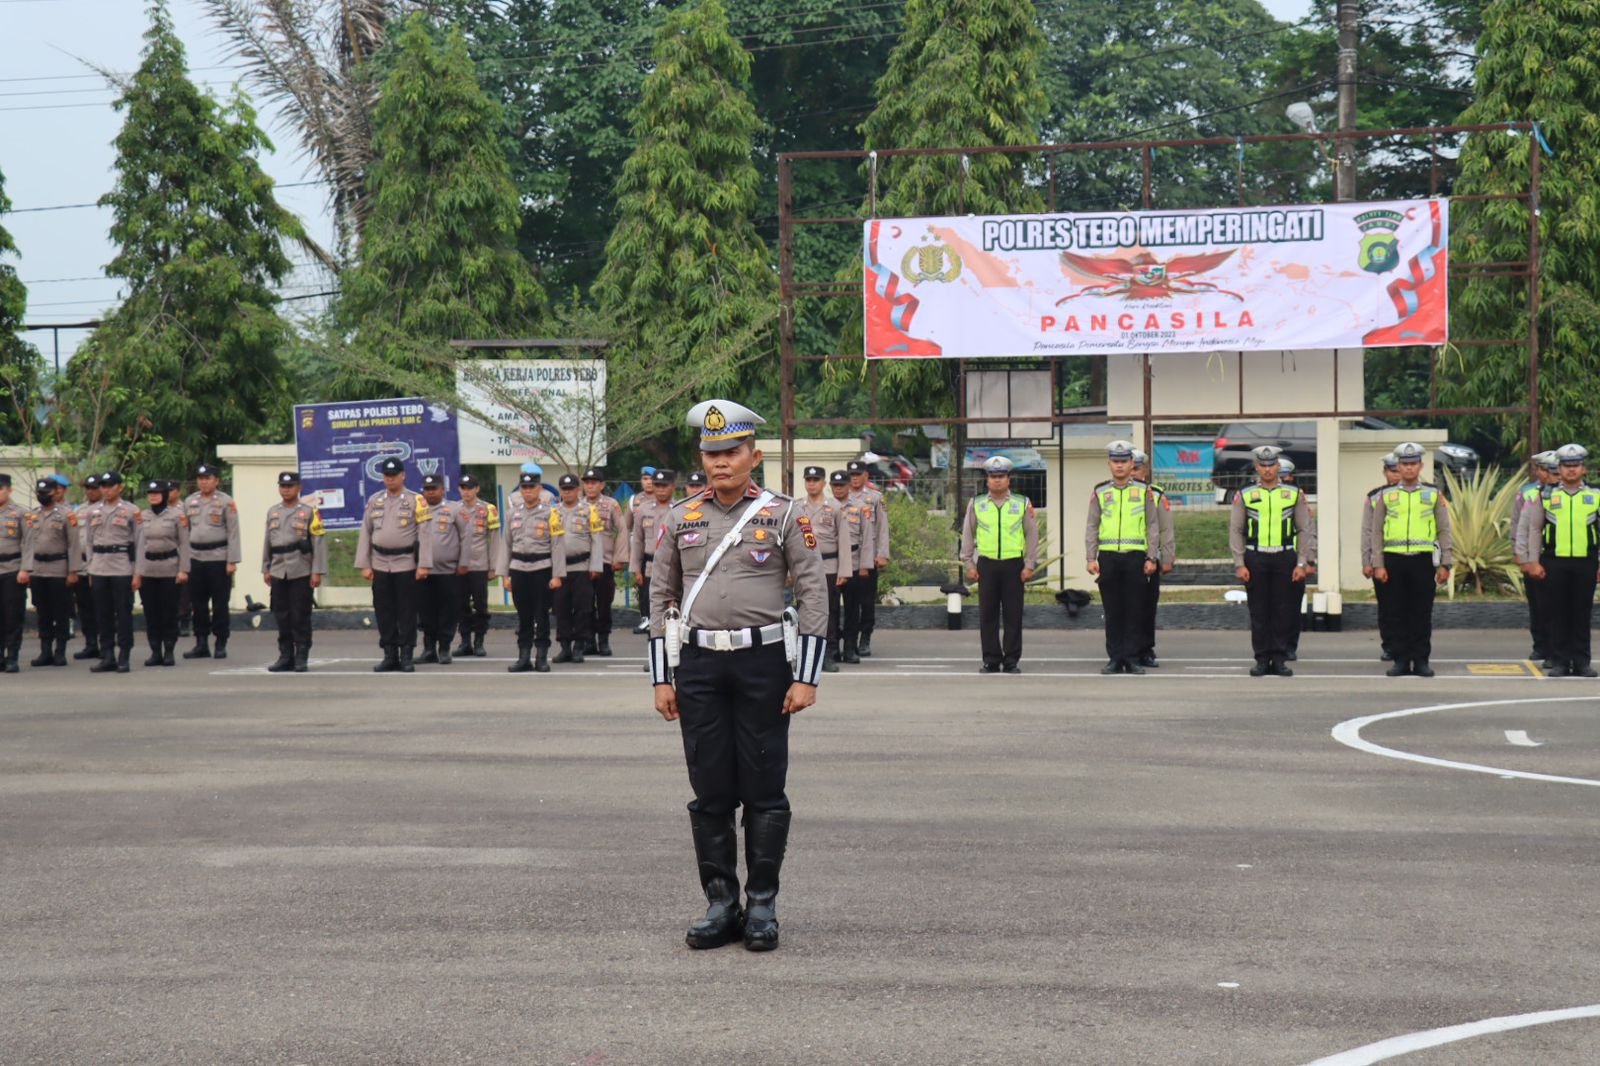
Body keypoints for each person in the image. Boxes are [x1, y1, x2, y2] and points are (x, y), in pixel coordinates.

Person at [648, 399, 827, 952]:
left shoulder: (785, 514)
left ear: (755, 454)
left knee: (765, 786)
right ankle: (721, 903)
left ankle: (763, 906)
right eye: (711, 452)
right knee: (710, 789)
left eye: (731, 451)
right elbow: (661, 596)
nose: (720, 462)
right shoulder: (680, 516)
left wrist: (808, 676)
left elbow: (813, 590)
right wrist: (662, 678)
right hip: (699, 666)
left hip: (764, 665)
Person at [1370, 442, 1453, 677]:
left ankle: (1421, 660)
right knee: (1395, 613)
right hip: (1393, 560)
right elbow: (1376, 532)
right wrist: (1378, 564)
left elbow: (1444, 529)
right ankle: (1401, 660)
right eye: (1404, 464)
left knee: (1421, 613)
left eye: (1413, 464)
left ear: (1421, 466)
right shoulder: (1385, 496)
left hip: (1422, 560)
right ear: (1398, 465)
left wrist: (1445, 563)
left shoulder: (1433, 494)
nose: (1408, 468)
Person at [1230, 447, 1313, 677]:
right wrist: (1239, 563)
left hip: (1284, 556)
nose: (1267, 470)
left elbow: (1304, 529)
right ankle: (1261, 658)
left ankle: (1279, 658)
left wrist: (1301, 562)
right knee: (1259, 611)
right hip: (1255, 556)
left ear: (1278, 466)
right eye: (1263, 465)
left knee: (1282, 610)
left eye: (1271, 465)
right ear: (1257, 467)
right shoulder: (1245, 494)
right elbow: (1236, 530)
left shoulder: (1293, 493)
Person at [1517, 444, 1598, 677]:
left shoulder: (1595, 495)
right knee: (1558, 613)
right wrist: (1532, 561)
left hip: (1586, 561)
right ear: (1559, 469)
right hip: (1554, 561)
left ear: (1584, 469)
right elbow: (1534, 528)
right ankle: (1560, 661)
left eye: (1576, 466)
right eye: (1566, 466)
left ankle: (1581, 662)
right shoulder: (1545, 495)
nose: (1571, 470)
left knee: (1582, 613)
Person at [960, 455, 1039, 674]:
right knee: (988, 614)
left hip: (1014, 564)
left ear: (1008, 479)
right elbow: (968, 533)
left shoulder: (1021, 503)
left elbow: (1032, 535)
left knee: (1013, 614)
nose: (997, 480)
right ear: (987, 480)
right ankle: (991, 659)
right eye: (993, 476)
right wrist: (969, 563)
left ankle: (1012, 660)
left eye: (1001, 476)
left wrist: (1029, 564)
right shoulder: (977, 504)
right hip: (987, 564)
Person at [1085, 441, 1159, 674]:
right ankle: (1115, 657)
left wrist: (1151, 557)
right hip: (1108, 557)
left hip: (1135, 557)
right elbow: (1092, 525)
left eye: (1124, 461)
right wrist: (1090, 556)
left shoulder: (1143, 491)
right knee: (1113, 609)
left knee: (1135, 609)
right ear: (1109, 464)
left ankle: (1132, 657)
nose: (1119, 466)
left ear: (1131, 464)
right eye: (1115, 462)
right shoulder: (1100, 491)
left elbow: (1152, 525)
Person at [354, 457, 433, 674]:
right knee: (384, 611)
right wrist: (364, 563)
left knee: (406, 611)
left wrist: (424, 564)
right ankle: (389, 654)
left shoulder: (416, 500)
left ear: (403, 475)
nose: (390, 479)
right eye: (387, 475)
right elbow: (366, 532)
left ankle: (406, 654)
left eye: (394, 475)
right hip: (380, 563)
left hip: (406, 563)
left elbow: (424, 534)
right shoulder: (375, 500)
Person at [262, 471, 327, 673]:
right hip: (279, 568)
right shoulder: (273, 511)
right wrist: (266, 567)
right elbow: (267, 542)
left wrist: (317, 571)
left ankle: (301, 655)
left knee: (300, 615)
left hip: (301, 568)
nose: (286, 489)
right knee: (281, 614)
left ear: (299, 488)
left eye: (290, 486)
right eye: (282, 486)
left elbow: (318, 542)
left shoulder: (309, 512)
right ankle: (285, 655)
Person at [499, 470, 560, 673]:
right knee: (523, 615)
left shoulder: (551, 513)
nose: (528, 491)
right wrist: (504, 575)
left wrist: (557, 575)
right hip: (518, 569)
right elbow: (506, 545)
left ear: (539, 489)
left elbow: (557, 546)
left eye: (531, 487)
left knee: (541, 615)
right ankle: (523, 656)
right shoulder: (512, 514)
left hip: (542, 568)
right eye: (524, 488)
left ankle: (541, 656)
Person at [18, 477, 81, 669]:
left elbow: (74, 544)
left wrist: (73, 571)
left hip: (58, 568)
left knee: (60, 612)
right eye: (39, 493)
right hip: (37, 569)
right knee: (42, 612)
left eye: (46, 493)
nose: (42, 496)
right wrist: (26, 568)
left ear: (56, 493)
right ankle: (45, 651)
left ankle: (60, 650)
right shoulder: (32, 515)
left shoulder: (66, 515)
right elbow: (26, 544)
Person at [180, 462, 240, 661]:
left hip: (218, 557)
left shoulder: (226, 502)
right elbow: (184, 533)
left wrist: (232, 560)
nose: (204, 482)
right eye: (200, 478)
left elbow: (233, 532)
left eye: (208, 478)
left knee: (220, 603)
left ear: (217, 481)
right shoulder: (189, 501)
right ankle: (201, 643)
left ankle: (221, 642)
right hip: (196, 557)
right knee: (198, 603)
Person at [83, 471, 141, 673]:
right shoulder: (93, 511)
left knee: (123, 613)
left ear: (120, 487)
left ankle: (124, 655)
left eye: (109, 486)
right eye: (103, 486)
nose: (105, 490)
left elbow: (139, 543)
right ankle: (107, 654)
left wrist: (137, 573)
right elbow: (89, 541)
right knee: (102, 613)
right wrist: (90, 567)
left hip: (121, 566)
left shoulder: (131, 510)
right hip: (99, 566)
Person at [799, 466, 853, 673]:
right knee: (805, 609)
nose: (812, 483)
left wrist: (844, 571)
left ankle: (828, 653)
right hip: (805, 566)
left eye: (816, 480)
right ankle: (808, 654)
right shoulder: (797, 507)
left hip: (829, 566)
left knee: (829, 611)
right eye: (808, 480)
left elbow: (844, 541)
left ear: (823, 483)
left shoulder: (835, 507)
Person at [132, 478, 190, 667]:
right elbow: (137, 545)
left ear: (165, 495)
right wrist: (137, 572)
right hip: (148, 568)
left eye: (157, 493)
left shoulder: (177, 515)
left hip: (169, 568)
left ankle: (169, 650)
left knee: (168, 613)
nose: (153, 496)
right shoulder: (142, 516)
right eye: (150, 493)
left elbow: (184, 543)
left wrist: (183, 569)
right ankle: (155, 651)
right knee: (151, 613)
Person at [550, 473, 606, 664]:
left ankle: (579, 647)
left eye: (571, 489)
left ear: (577, 490)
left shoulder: (589, 510)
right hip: (560, 569)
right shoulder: (553, 512)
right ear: (560, 491)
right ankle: (565, 647)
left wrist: (596, 566)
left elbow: (597, 540)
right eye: (564, 490)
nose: (568, 493)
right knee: (561, 609)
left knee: (583, 609)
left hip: (582, 567)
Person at [417, 473, 469, 665]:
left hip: (448, 571)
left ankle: (445, 648)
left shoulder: (454, 509)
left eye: (434, 489)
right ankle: (429, 649)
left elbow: (466, 536)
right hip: (423, 572)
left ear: (442, 490)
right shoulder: (417, 509)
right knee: (425, 612)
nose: (430, 493)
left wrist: (463, 562)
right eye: (427, 489)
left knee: (448, 612)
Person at [1512, 451, 1559, 663]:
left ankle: (1554, 649)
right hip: (1533, 556)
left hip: (1555, 556)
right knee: (1537, 605)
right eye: (1544, 469)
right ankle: (1540, 645)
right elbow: (1518, 524)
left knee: (1553, 607)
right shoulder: (1528, 492)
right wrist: (1520, 554)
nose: (1548, 474)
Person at [1131, 449, 1174, 667]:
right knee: (1126, 607)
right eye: (1131, 467)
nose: (1133, 473)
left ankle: (1146, 649)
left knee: (1147, 607)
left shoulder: (1155, 495)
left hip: (1149, 559)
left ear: (1145, 470)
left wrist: (1167, 557)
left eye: (1137, 468)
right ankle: (1126, 649)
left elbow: (1166, 529)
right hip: (1125, 556)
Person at [581, 468, 627, 657]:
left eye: (594, 482)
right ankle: (589, 640)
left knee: (604, 603)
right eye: (587, 482)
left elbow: (622, 530)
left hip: (605, 560)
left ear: (602, 485)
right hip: (583, 562)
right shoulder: (577, 505)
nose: (590, 486)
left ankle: (604, 640)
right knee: (585, 604)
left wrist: (620, 557)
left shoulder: (611, 504)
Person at [1361, 453, 1402, 661]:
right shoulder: (1375, 496)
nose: (1395, 475)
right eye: (1391, 470)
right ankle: (1390, 645)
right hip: (1382, 559)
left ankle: (1408, 645)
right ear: (1385, 472)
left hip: (1409, 557)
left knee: (1410, 606)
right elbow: (1368, 531)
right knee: (1387, 606)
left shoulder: (1425, 493)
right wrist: (1367, 561)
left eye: (1397, 470)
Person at [847, 459, 890, 656]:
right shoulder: (839, 497)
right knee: (848, 602)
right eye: (852, 475)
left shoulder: (874, 498)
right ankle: (849, 640)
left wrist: (882, 554)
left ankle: (865, 637)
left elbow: (882, 527)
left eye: (858, 475)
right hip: (846, 558)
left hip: (868, 557)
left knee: (866, 601)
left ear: (866, 476)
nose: (854, 478)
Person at [1276, 457, 1315, 661]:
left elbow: (1309, 531)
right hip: (1272, 555)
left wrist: (1310, 560)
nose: (1282, 480)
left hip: (1295, 557)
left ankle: (1290, 646)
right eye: (1279, 476)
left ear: (1291, 477)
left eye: (1285, 476)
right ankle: (1273, 646)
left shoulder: (1299, 498)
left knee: (1291, 606)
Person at [631, 468, 676, 638]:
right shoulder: (643, 509)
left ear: (672, 487)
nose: (660, 489)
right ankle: (654, 656)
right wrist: (636, 569)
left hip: (673, 568)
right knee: (652, 613)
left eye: (664, 485)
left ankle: (672, 657)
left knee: (673, 613)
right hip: (649, 567)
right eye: (657, 485)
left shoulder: (679, 509)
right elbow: (637, 540)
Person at [829, 471, 868, 664]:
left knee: (853, 609)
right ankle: (834, 647)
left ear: (848, 486)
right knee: (832, 609)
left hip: (853, 562)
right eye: (835, 486)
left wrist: (864, 565)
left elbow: (867, 537)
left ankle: (851, 648)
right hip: (832, 564)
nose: (838, 489)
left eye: (842, 485)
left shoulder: (860, 507)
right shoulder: (825, 507)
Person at [72, 474, 103, 661]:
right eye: (88, 488)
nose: (91, 491)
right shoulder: (79, 511)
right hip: (82, 565)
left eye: (95, 487)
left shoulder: (107, 509)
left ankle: (105, 643)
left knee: (103, 607)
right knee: (85, 608)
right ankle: (90, 644)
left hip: (101, 564)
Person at [0, 475, 23, 673]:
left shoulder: (20, 513)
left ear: (9, 490)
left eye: (1, 489)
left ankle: (12, 656)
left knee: (12, 615)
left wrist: (25, 569)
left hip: (12, 568)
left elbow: (28, 543)